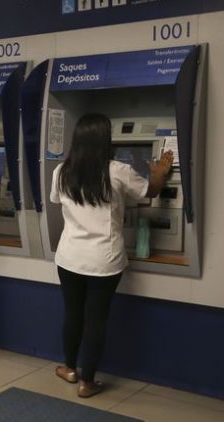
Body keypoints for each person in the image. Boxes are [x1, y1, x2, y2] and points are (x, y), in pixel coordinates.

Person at [50, 113, 173, 398]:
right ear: (105, 140)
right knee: (96, 320)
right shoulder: (118, 171)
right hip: (104, 260)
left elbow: (59, 202)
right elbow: (151, 191)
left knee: (72, 314)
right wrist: (159, 172)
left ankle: (69, 368)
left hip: (69, 257)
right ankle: (87, 382)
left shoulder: (61, 171)